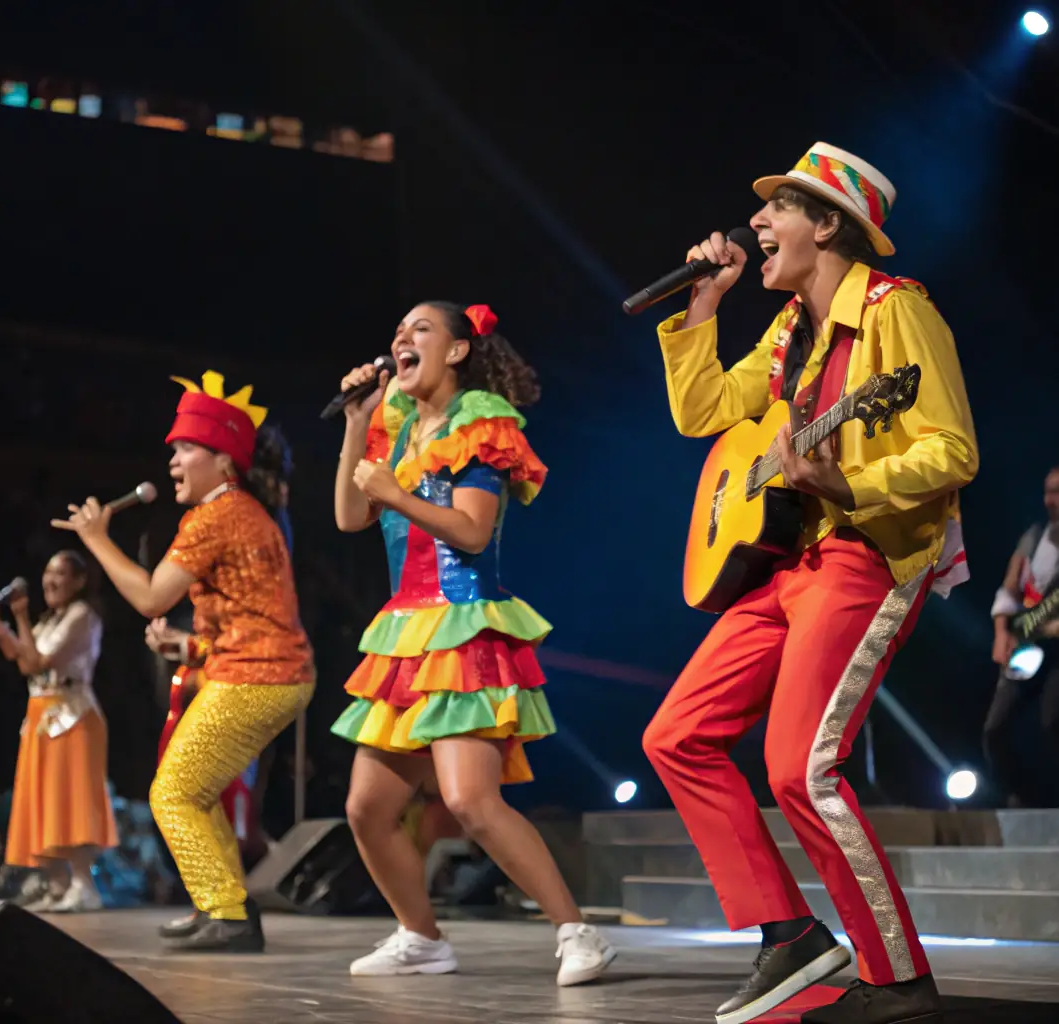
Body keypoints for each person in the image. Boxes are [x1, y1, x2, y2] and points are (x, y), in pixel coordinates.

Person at [641, 143, 978, 1024]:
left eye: (776, 209)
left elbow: (952, 451)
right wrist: (702, 308)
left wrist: (849, 483)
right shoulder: (790, 327)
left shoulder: (897, 314)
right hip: (785, 562)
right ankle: (787, 935)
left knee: (800, 768)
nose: (754, 223)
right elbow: (704, 415)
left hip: (864, 553)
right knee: (675, 735)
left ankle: (895, 977)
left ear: (826, 225)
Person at [329, 302, 613, 986]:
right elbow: (347, 516)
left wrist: (393, 495)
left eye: (419, 329)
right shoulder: (394, 429)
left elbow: (471, 533)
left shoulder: (477, 420)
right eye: (396, 329)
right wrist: (354, 425)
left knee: (468, 801)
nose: (401, 337)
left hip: (463, 623)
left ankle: (578, 933)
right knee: (365, 809)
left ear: (456, 351)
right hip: (404, 630)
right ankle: (420, 937)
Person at [55, 370, 314, 952]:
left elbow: (151, 597)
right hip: (264, 670)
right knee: (193, 790)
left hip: (257, 677)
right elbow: (256, 612)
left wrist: (97, 538)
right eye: (173, 450)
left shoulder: (216, 517)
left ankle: (227, 914)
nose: (173, 461)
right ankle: (223, 907)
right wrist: (191, 648)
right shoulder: (244, 513)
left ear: (224, 462)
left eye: (187, 449)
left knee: (171, 792)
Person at [0, 550, 119, 912]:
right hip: (43, 717)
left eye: (60, 574)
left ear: (79, 581)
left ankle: (83, 884)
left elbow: (43, 659)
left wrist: (21, 617)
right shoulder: (50, 620)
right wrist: (2, 634)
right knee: (45, 802)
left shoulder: (81, 616)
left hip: (72, 716)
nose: (50, 580)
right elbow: (28, 663)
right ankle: (58, 884)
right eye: (47, 573)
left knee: (70, 800)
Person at [983, 466, 1059, 807]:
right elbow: (1010, 590)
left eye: (1057, 492)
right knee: (995, 731)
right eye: (1048, 491)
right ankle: (1020, 798)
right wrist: (1001, 631)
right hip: (1025, 645)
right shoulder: (1034, 535)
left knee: (1052, 725)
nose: (1051, 500)